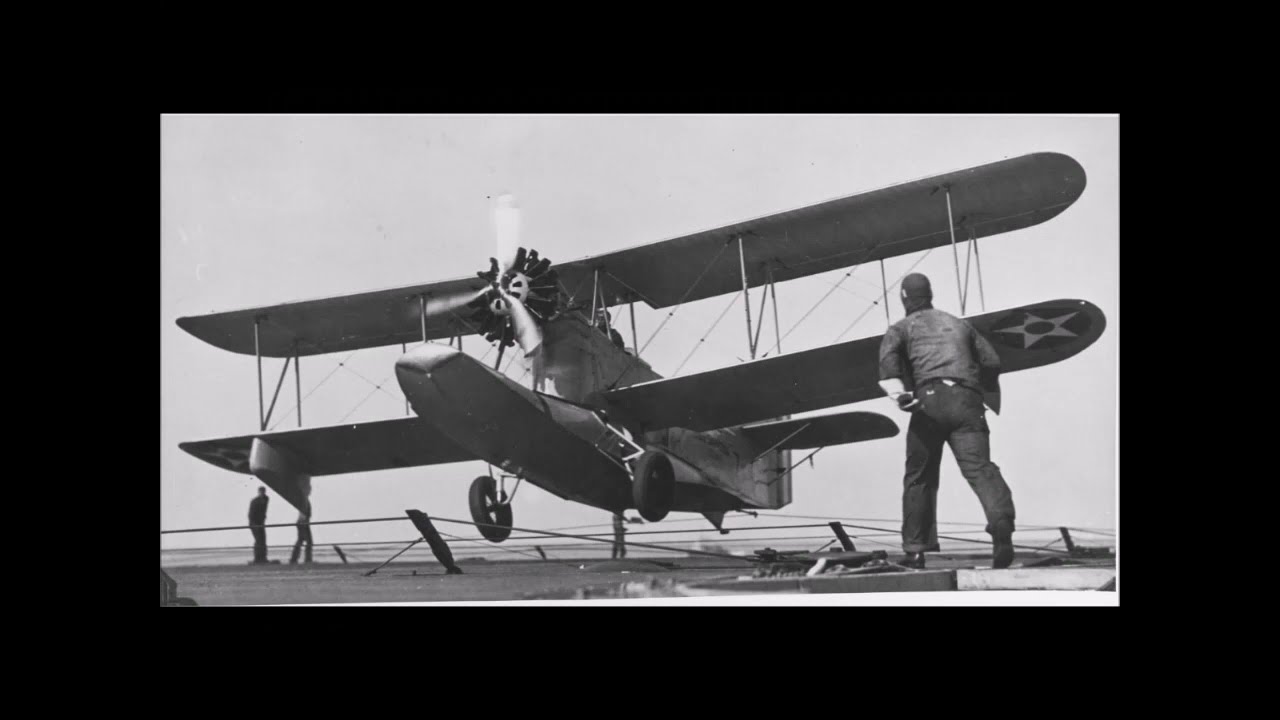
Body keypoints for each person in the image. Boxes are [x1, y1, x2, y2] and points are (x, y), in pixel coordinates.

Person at [877, 273, 1016, 570]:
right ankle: (1001, 523)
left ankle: (915, 551)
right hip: (968, 401)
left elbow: (889, 369)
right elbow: (991, 362)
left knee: (920, 474)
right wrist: (977, 388)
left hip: (929, 401)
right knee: (982, 469)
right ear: (930, 294)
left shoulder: (900, 328)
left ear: (904, 297)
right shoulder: (960, 324)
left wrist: (900, 396)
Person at [248, 487, 269, 564]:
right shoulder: (255, 501)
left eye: (263, 492)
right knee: (258, 540)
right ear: (259, 492)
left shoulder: (266, 499)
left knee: (262, 539)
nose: (262, 494)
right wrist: (255, 525)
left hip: (260, 523)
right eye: (261, 492)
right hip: (254, 523)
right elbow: (251, 515)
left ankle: (262, 558)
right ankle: (257, 558)